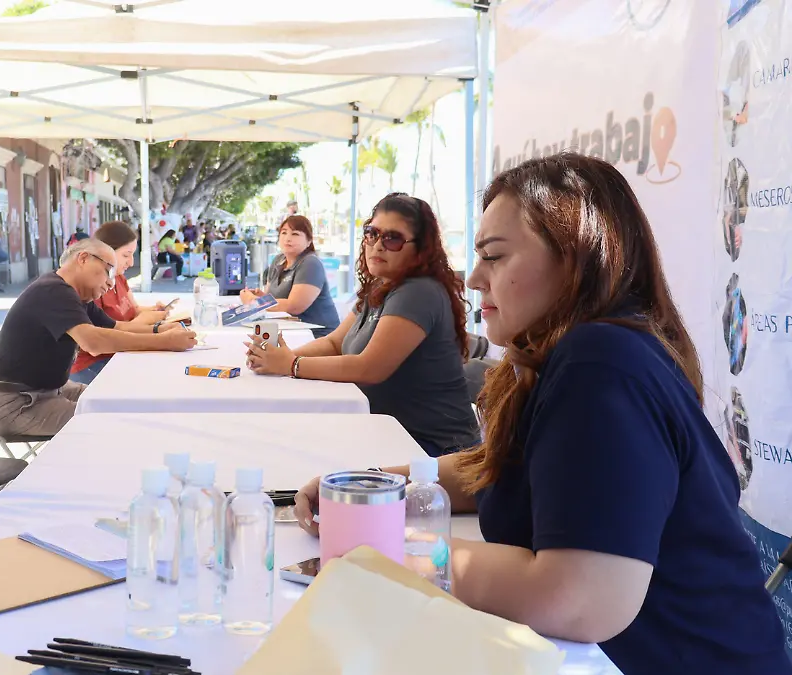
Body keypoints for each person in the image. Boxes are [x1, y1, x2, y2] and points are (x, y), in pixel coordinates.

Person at [292, 155, 792, 675]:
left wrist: (381, 544)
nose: (475, 278)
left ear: (574, 259)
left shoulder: (601, 362)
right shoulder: (575, 354)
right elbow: (497, 469)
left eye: (494, 256)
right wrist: (367, 489)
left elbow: (579, 598)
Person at [247, 194, 478, 456]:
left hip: (431, 450)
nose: (378, 245)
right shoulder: (380, 287)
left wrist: (291, 365)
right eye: (372, 234)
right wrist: (279, 357)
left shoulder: (418, 291)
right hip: (388, 434)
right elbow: (334, 343)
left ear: (420, 249)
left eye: (392, 238)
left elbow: (370, 368)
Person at [0, 239, 198, 436]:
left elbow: (118, 327)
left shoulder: (75, 295)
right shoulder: (53, 291)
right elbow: (93, 342)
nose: (111, 283)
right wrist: (165, 342)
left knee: (121, 399)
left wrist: (161, 329)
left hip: (48, 390)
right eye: (108, 271)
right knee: (117, 421)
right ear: (83, 258)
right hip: (19, 403)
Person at [70, 222, 175, 385]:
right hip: (94, 362)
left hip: (120, 352)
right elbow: (98, 342)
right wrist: (150, 327)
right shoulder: (92, 286)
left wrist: (154, 313)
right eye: (126, 255)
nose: (131, 263)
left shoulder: (119, 277)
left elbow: (132, 310)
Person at [240, 215, 340, 338]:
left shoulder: (310, 263)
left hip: (318, 337)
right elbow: (272, 301)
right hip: (289, 331)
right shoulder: (278, 261)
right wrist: (260, 297)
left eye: (295, 234)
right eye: (284, 233)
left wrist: (254, 302)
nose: (288, 238)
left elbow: (294, 306)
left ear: (309, 241)